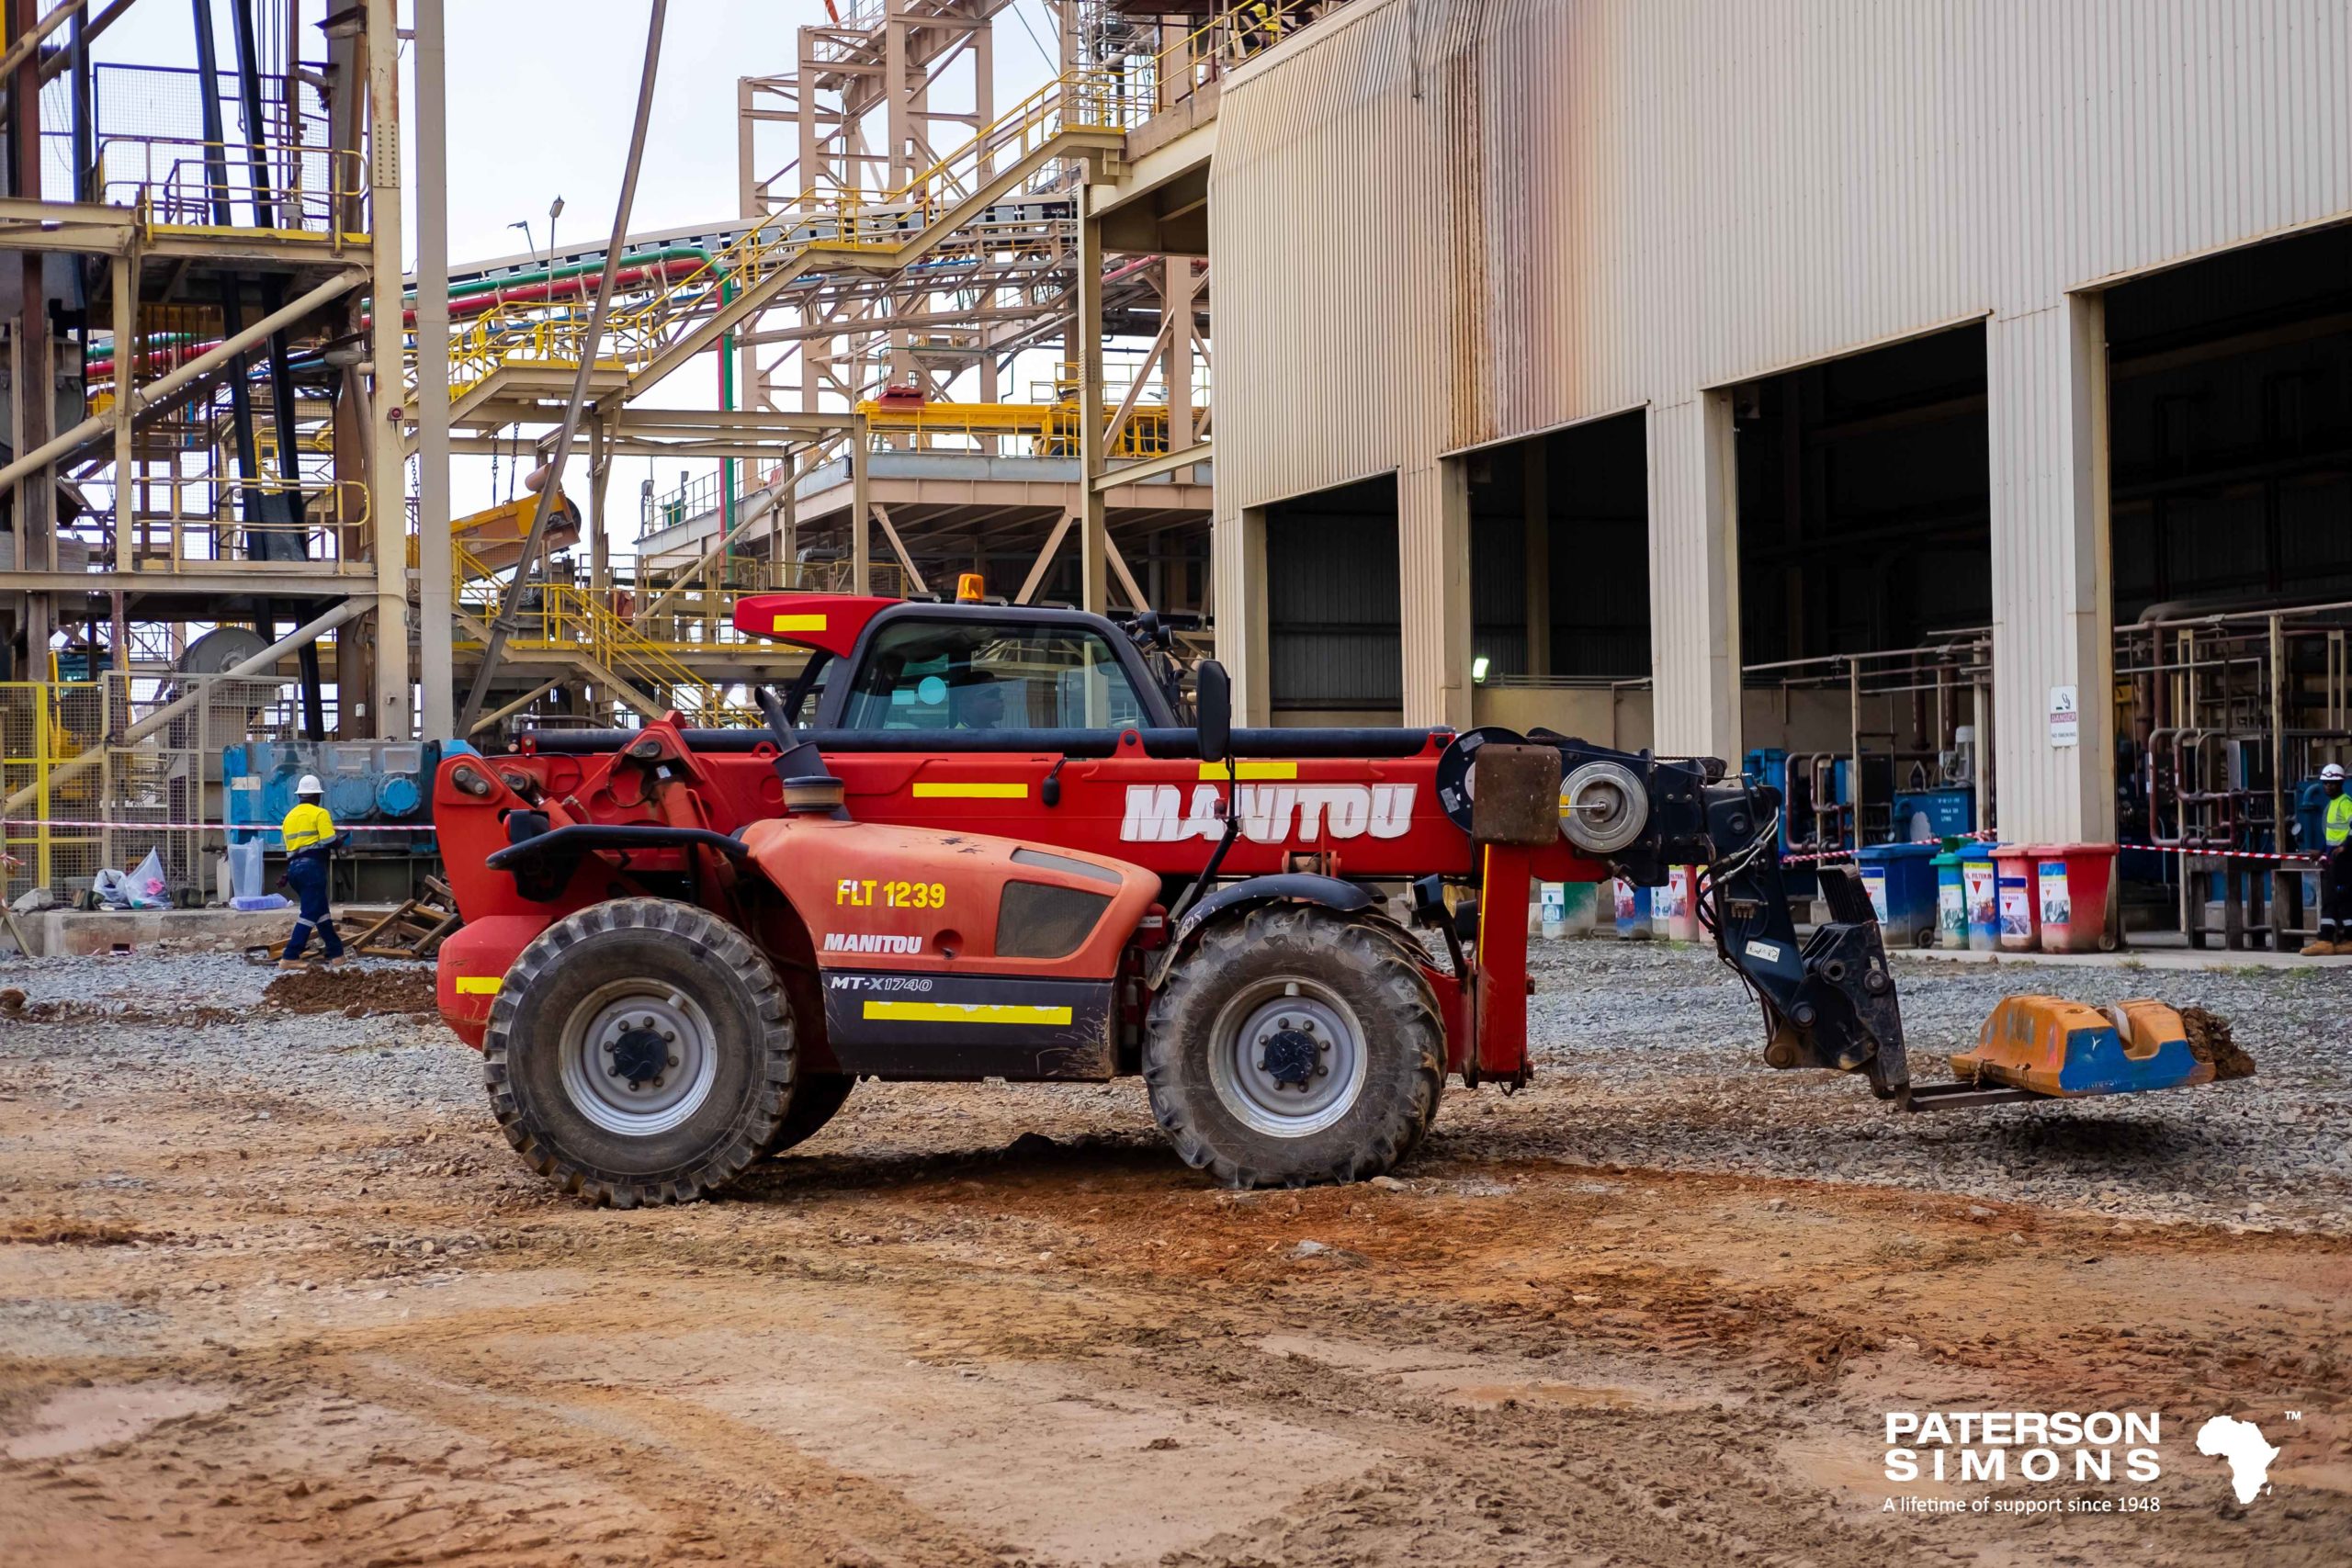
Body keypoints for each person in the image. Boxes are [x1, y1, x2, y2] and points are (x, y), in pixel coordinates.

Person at [278, 774, 346, 968]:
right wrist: (340, 841)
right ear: (317, 795)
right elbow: (328, 841)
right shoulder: (320, 814)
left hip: (294, 870)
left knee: (320, 911)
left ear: (300, 795)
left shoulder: (289, 817)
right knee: (309, 912)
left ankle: (336, 953)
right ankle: (290, 955)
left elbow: (292, 849)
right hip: (312, 869)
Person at [2303, 761, 2350, 957]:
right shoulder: (2333, 804)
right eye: (2325, 783)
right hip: (2334, 858)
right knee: (2341, 900)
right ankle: (2346, 939)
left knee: (2333, 899)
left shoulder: (2345, 803)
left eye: (2332, 783)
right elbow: (2332, 836)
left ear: (2341, 783)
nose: (2328, 787)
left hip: (2345, 860)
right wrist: (2322, 851)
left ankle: (2325, 940)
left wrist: (2345, 846)